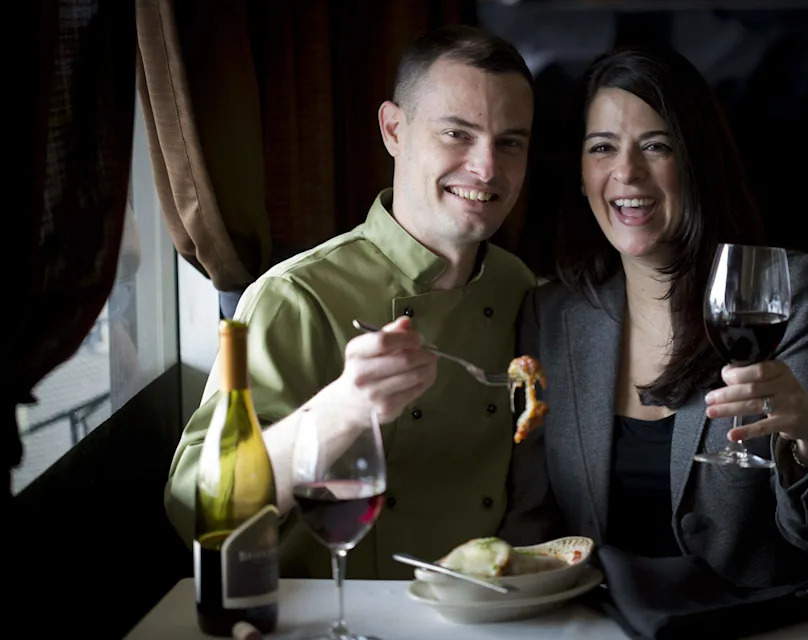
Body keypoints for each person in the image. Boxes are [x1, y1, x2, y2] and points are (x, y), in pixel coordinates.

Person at [165, 25, 537, 580]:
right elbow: (197, 508)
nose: (487, 168)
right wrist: (342, 407)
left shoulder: (517, 285)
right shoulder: (295, 295)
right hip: (330, 616)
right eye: (457, 134)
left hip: (481, 610)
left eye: (509, 142)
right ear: (393, 129)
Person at [498, 44, 808, 589]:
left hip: (752, 625)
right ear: (581, 174)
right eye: (602, 147)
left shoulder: (794, 293)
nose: (627, 171)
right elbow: (534, 522)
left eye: (656, 145)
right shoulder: (550, 316)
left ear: (696, 163)